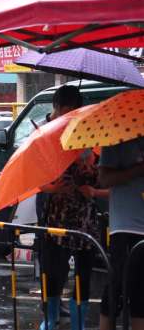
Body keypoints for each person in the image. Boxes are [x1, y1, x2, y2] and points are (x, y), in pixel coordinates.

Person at [38, 149, 109, 330]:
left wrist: (94, 192)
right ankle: (51, 318)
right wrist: (54, 188)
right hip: (57, 220)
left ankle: (79, 323)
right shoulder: (58, 156)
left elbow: (114, 188)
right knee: (54, 273)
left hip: (86, 223)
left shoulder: (99, 159)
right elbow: (39, 183)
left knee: (83, 275)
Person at [98, 135, 144, 330]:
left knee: (141, 292)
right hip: (125, 225)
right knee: (116, 285)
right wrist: (138, 170)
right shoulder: (115, 137)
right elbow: (104, 179)